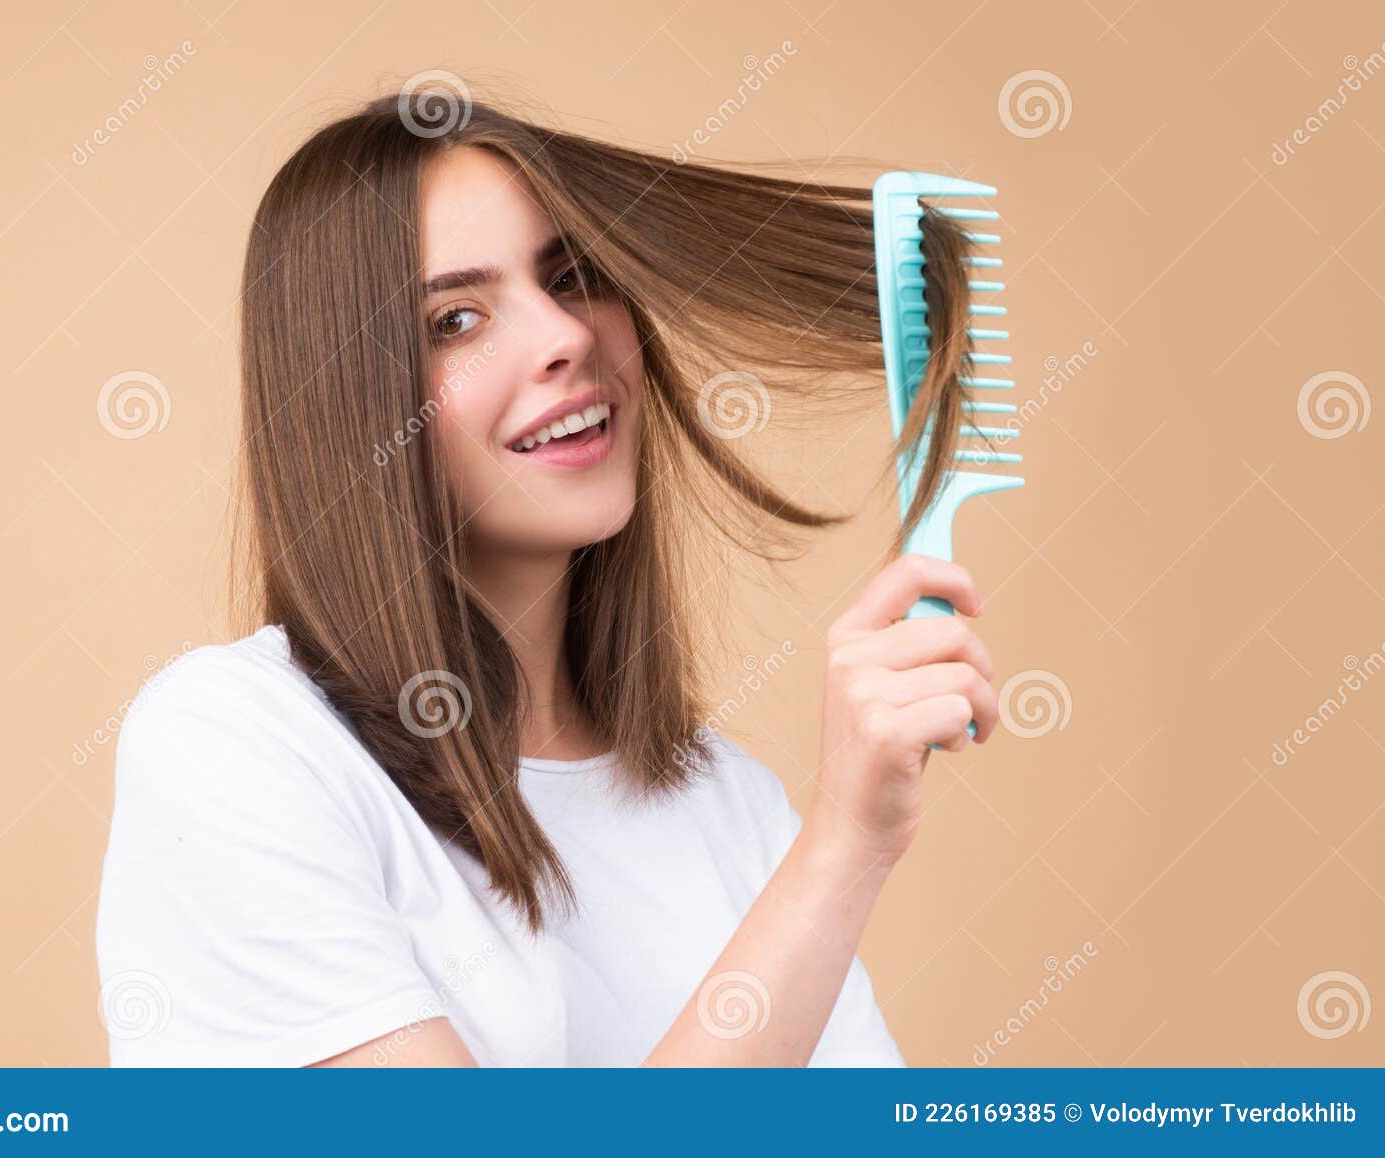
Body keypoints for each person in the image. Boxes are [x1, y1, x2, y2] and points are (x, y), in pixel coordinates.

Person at [95, 91, 999, 1067]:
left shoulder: (731, 807)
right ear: (351, 406)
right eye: (456, 319)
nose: (564, 336)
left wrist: (833, 845)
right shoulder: (238, 745)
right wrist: (843, 847)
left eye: (571, 275)